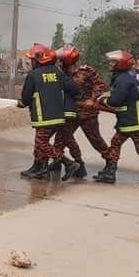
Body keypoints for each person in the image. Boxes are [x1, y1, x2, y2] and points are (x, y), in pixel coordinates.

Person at [93, 49, 139, 187]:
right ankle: (110, 172)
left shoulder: (123, 80)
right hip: (129, 120)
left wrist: (103, 100)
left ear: (121, 64)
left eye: (113, 62)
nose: (110, 64)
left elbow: (116, 100)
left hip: (134, 122)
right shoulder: (126, 78)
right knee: (116, 143)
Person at [17, 43, 80, 180]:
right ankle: (40, 168)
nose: (31, 62)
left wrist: (21, 103)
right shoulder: (58, 73)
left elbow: (26, 98)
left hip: (43, 117)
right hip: (58, 117)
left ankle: (68, 163)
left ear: (39, 60)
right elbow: (75, 89)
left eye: (32, 60)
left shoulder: (33, 75)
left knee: (42, 143)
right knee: (39, 142)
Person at [52, 44, 109, 179]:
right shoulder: (60, 73)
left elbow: (100, 85)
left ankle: (110, 163)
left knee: (96, 140)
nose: (59, 62)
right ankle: (68, 164)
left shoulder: (86, 71)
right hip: (71, 112)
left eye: (61, 60)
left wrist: (92, 99)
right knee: (61, 139)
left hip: (87, 114)